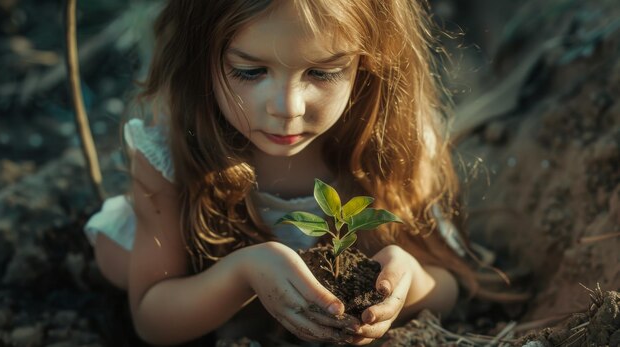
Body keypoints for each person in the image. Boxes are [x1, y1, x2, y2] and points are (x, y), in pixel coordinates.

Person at [84, 0, 487, 345]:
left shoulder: (395, 146)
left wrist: (407, 281)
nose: (288, 107)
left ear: (368, 63)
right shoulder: (171, 151)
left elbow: (451, 287)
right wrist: (243, 273)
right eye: (249, 71)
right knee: (117, 255)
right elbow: (152, 319)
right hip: (200, 278)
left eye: (323, 72)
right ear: (201, 57)